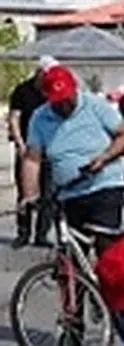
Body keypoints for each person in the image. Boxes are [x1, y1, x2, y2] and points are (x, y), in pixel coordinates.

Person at [20, 64, 124, 255]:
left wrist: (105, 157)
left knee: (107, 250)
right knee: (71, 255)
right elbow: (32, 159)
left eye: (67, 99)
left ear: (75, 89)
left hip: (103, 186)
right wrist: (30, 196)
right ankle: (75, 283)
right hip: (68, 192)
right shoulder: (40, 118)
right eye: (58, 102)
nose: (64, 106)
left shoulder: (95, 105)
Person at [8, 55, 57, 248]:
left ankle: (42, 234)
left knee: (49, 193)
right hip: (27, 148)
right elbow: (14, 118)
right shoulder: (22, 90)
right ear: (39, 73)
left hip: (49, 149)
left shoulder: (53, 92)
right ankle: (23, 232)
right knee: (24, 192)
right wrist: (20, 144)